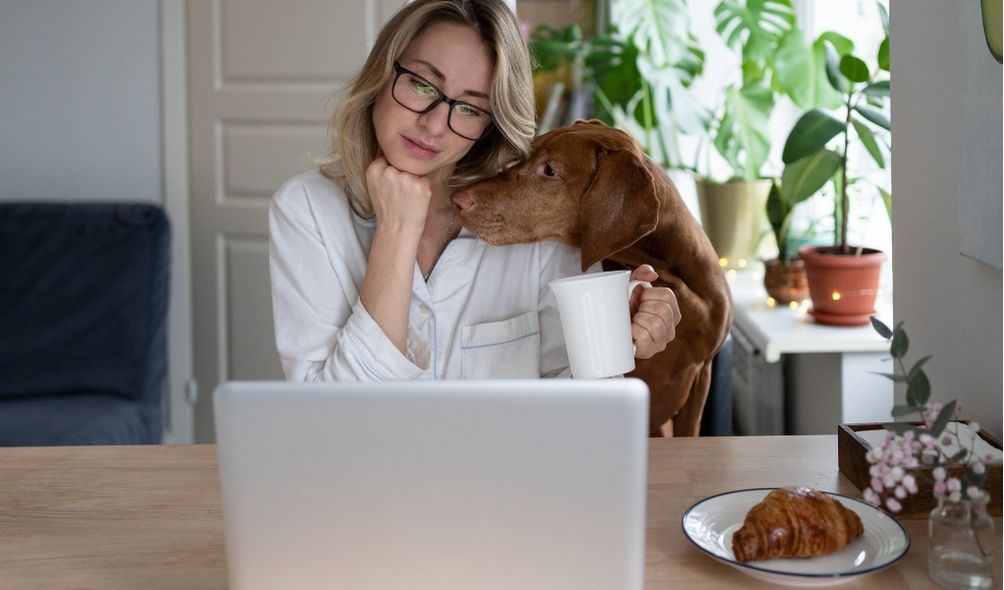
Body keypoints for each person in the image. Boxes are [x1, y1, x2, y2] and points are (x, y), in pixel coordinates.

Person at [269, 0, 681, 382]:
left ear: (490, 124)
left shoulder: (535, 221)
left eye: (469, 108)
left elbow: (581, 407)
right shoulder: (306, 210)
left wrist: (621, 335)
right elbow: (333, 418)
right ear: (381, 74)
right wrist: (396, 230)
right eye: (422, 85)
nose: (432, 125)